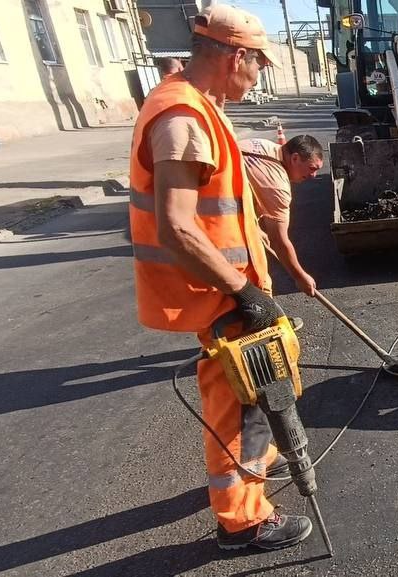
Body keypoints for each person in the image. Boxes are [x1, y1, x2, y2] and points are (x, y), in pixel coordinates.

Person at [127, 5, 314, 551]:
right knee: (239, 405)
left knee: (254, 398)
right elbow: (177, 228)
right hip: (218, 293)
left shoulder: (200, 105)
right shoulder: (182, 118)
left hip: (225, 288)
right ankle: (244, 521)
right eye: (259, 63)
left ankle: (254, 478)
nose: (259, 74)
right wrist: (243, 291)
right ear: (237, 55)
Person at [237, 135, 325, 295]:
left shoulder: (261, 145)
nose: (314, 176)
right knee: (255, 280)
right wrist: (299, 276)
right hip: (216, 224)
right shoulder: (277, 185)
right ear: (295, 158)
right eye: (312, 168)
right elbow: (278, 240)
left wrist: (255, 227)